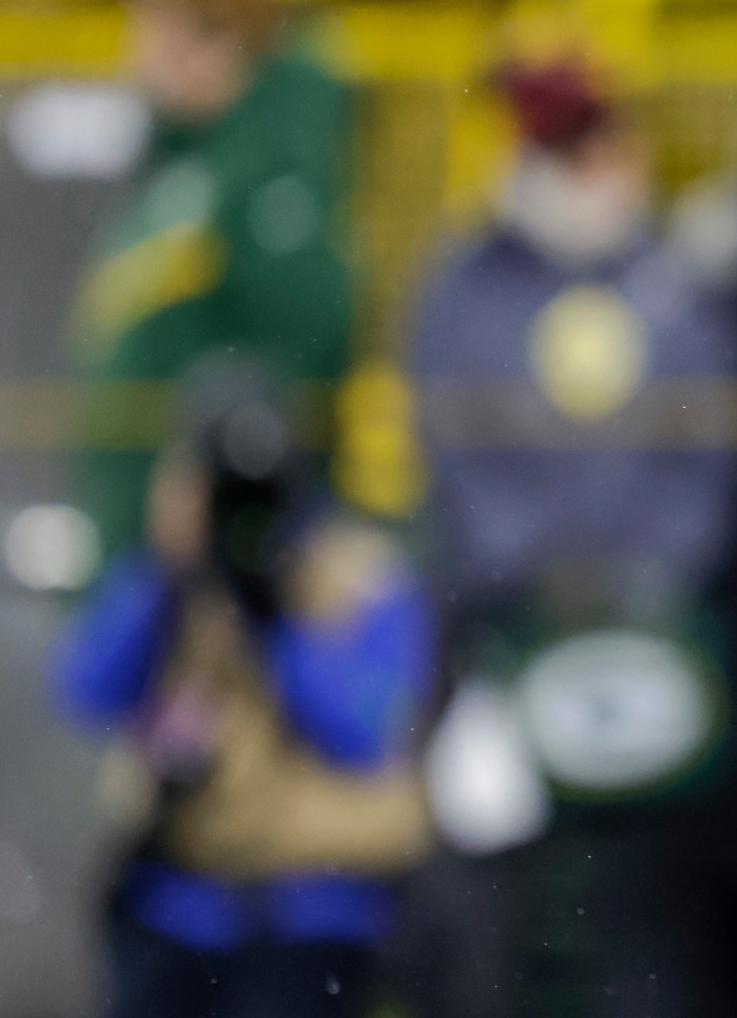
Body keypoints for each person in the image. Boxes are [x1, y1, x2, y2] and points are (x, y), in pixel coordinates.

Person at [403, 57, 737, 1018]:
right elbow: (457, 458)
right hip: (511, 631)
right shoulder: (467, 286)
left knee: (648, 909)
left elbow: (707, 455)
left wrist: (642, 579)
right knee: (512, 905)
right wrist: (544, 578)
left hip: (660, 635)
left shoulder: (675, 283)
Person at [55, 367, 434, 1018]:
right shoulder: (175, 579)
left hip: (311, 918)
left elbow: (374, 729)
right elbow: (83, 689)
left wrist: (277, 621)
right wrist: (164, 568)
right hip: (175, 912)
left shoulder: (357, 579)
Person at [71, 0, 355, 561]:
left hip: (223, 559)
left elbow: (303, 343)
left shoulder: (273, 178)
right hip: (135, 544)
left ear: (218, 41)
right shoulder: (181, 167)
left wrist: (219, 465)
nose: (138, 53)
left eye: (158, 28)